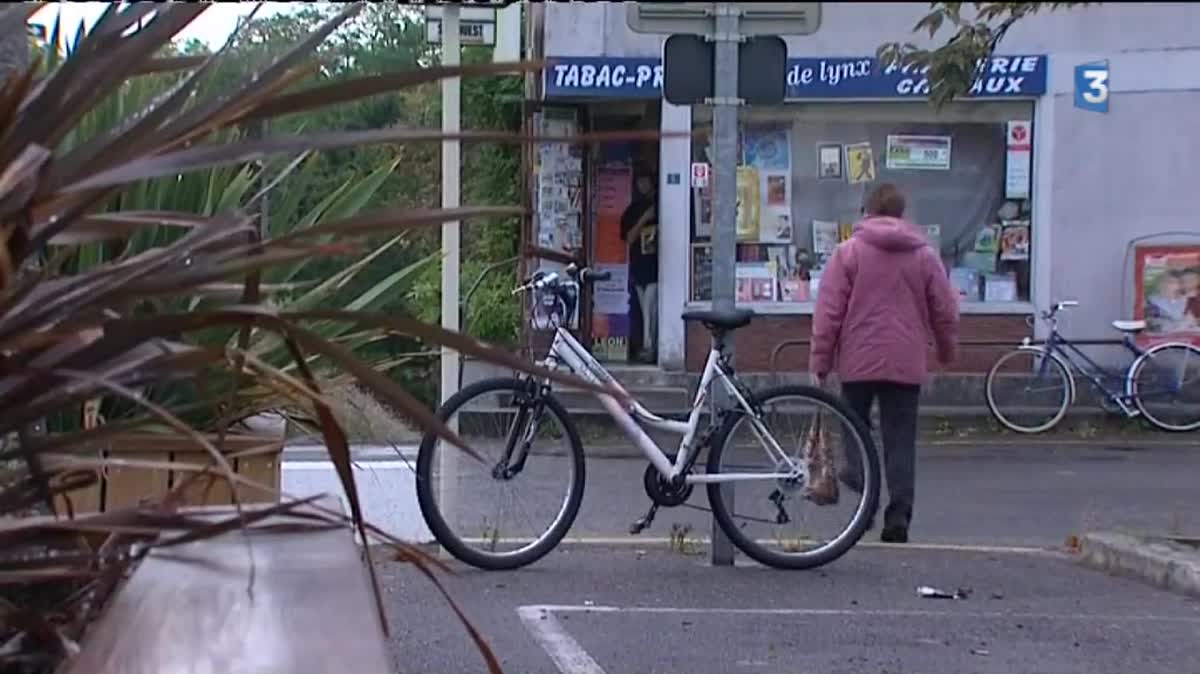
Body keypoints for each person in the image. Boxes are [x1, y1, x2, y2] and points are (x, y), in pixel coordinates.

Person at [809, 183, 960, 543]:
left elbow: (828, 314)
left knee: (855, 433)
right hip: (906, 360)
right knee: (900, 440)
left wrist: (820, 363)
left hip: (858, 360)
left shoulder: (848, 253)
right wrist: (945, 350)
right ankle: (899, 517)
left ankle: (865, 499)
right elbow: (945, 309)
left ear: (867, 211)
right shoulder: (924, 255)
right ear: (901, 213)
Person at [620, 168, 659, 363]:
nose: (644, 186)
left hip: (656, 269)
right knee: (644, 310)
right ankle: (647, 347)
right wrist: (644, 218)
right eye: (640, 182)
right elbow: (628, 238)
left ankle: (650, 347)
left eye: (647, 181)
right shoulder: (633, 210)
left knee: (651, 309)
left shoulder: (661, 205)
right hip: (639, 268)